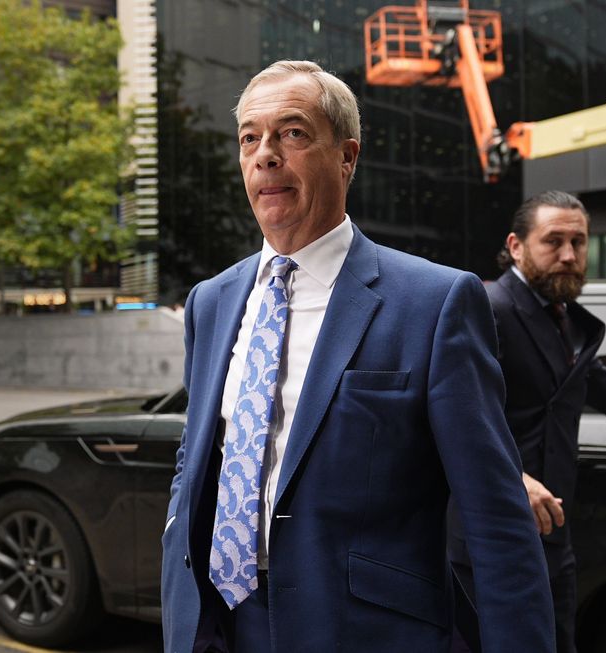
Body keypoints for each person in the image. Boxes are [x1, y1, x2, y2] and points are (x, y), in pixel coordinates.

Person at [160, 60, 555, 653]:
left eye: (292, 133)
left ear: (347, 156)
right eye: (249, 138)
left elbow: (496, 519)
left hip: (365, 632)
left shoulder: (435, 302)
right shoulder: (210, 302)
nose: (265, 155)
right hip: (221, 626)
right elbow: (194, 465)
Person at [451, 190, 606, 653]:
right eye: (553, 241)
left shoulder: (560, 313)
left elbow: (585, 372)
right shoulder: (487, 306)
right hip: (487, 535)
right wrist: (513, 477)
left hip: (553, 533)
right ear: (516, 246)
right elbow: (455, 411)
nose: (569, 255)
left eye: (578, 242)